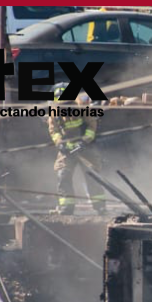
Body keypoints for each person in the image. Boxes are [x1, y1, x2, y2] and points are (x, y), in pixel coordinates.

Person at [48, 84, 105, 215]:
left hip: (85, 147)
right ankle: (66, 207)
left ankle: (100, 206)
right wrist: (60, 144)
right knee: (63, 174)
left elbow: (92, 126)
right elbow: (54, 131)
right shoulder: (54, 113)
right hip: (66, 149)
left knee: (92, 175)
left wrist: (84, 141)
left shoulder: (82, 107)